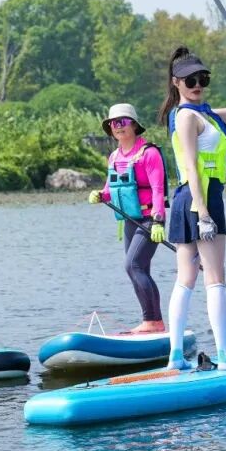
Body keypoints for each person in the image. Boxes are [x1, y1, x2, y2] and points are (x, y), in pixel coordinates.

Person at [159, 46, 226, 371]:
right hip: (200, 199)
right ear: (176, 83)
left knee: (187, 278)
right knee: (214, 278)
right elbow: (191, 166)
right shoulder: (186, 117)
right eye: (190, 80)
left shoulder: (207, 114)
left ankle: (176, 357)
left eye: (202, 79)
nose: (197, 85)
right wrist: (203, 215)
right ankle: (225, 356)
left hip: (191, 199)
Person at [87, 103, 168, 334]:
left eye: (123, 122)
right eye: (113, 123)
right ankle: (153, 323)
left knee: (132, 266)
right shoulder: (114, 156)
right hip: (129, 220)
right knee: (140, 269)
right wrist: (100, 194)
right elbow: (110, 189)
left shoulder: (149, 153)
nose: (118, 126)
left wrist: (158, 221)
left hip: (149, 219)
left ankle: (153, 321)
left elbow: (158, 189)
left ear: (134, 125)